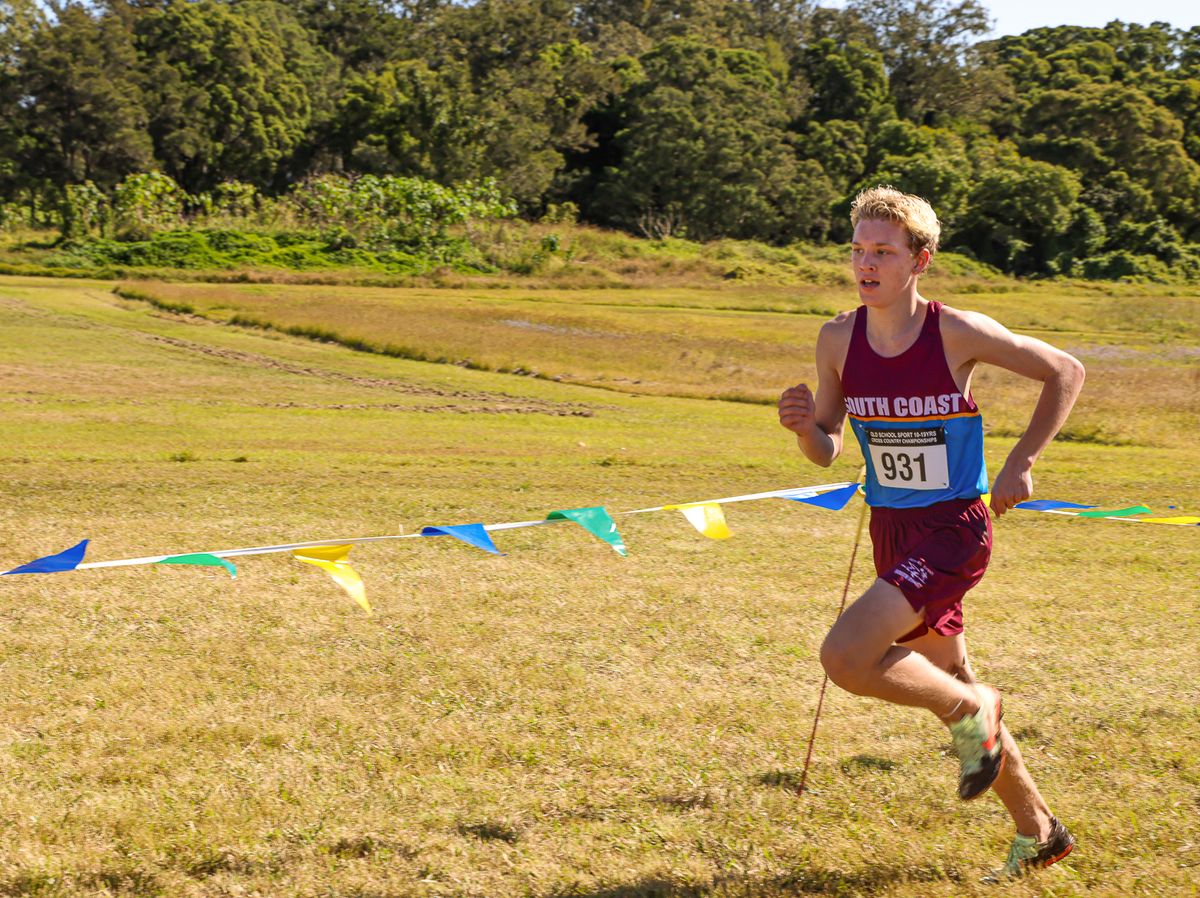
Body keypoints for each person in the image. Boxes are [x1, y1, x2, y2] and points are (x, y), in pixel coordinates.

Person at [777, 186, 1085, 882]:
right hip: (892, 528)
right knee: (949, 674)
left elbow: (1065, 370)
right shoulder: (837, 338)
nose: (865, 262)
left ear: (921, 259)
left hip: (953, 529)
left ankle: (972, 712)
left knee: (848, 656)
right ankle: (1040, 831)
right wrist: (805, 428)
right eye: (857, 249)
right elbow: (828, 446)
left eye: (883, 251)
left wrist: (1022, 460)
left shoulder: (955, 332)